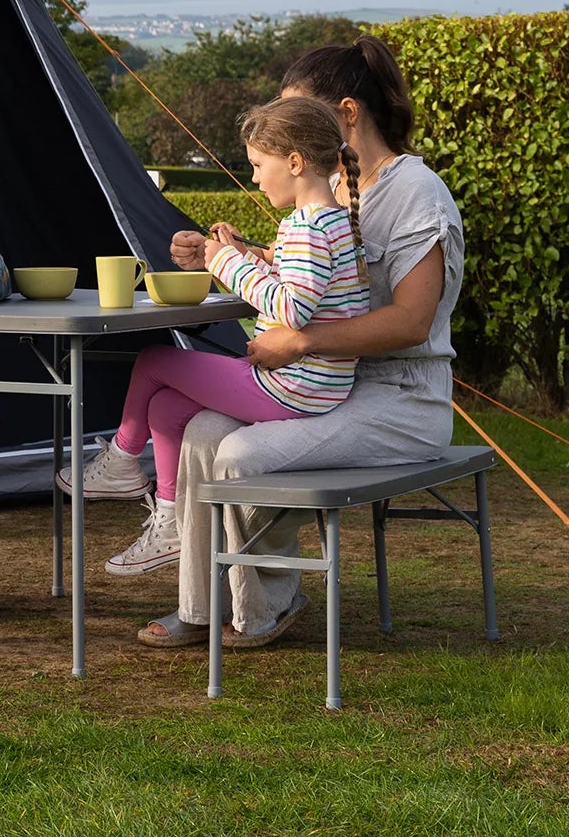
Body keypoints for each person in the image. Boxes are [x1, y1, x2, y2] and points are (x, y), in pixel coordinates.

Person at [138, 35, 464, 650]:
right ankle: (201, 607)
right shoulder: (337, 192)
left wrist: (302, 343)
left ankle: (267, 603)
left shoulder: (418, 194)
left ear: (345, 114)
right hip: (333, 386)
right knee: (205, 432)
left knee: (239, 453)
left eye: (299, 115)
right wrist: (232, 256)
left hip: (401, 400)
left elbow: (411, 322)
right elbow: (317, 281)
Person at [58, 96, 369, 575]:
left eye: (258, 165)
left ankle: (122, 460)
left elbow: (293, 306)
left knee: (155, 361)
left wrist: (221, 261)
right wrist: (243, 253)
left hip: (293, 385)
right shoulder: (326, 221)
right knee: (165, 407)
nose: (254, 177)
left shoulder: (308, 225)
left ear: (294, 161)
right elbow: (303, 279)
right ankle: (169, 519)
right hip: (310, 383)